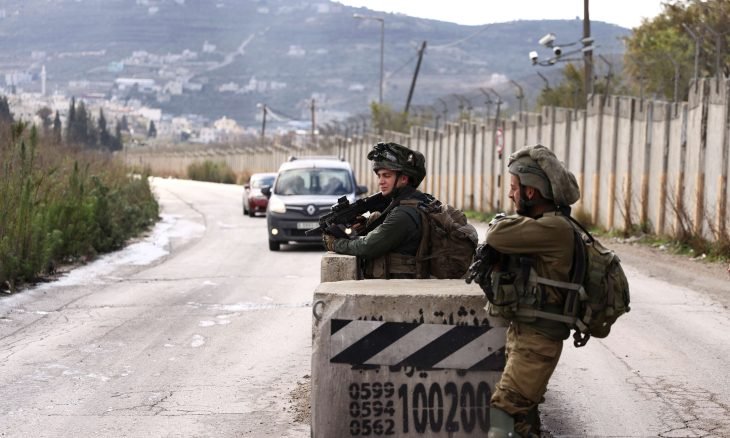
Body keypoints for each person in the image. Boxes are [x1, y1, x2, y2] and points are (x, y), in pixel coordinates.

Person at [478, 144, 581, 438]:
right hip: (526, 334)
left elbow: (496, 234)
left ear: (531, 193)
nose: (511, 195)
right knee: (523, 421)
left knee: (504, 413)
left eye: (514, 188)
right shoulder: (547, 225)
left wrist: (500, 221)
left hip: (538, 341)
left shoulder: (554, 228)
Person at [322, 142, 430, 279]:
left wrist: (334, 243)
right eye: (379, 176)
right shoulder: (419, 200)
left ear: (403, 178)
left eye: (387, 176)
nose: (380, 181)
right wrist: (366, 224)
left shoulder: (403, 214)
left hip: (400, 285)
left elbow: (366, 247)